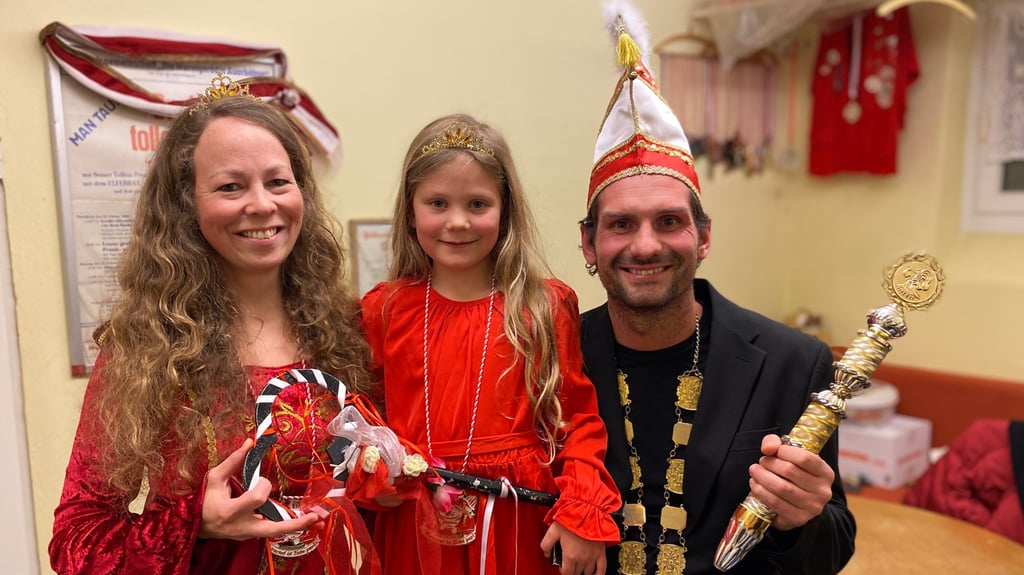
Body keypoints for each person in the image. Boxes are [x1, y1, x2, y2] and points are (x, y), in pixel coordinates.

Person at [49, 74, 374, 575]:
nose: (262, 205)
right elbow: (77, 541)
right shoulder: (146, 348)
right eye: (230, 186)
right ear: (186, 207)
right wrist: (192, 523)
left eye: (278, 181)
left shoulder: (348, 328)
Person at [576, 2, 856, 574]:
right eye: (621, 224)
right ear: (589, 245)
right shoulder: (552, 356)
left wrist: (802, 516)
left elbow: (831, 550)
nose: (646, 245)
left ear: (703, 237)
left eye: (670, 222)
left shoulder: (792, 362)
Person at [359, 113, 622, 575]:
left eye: (477, 203)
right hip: (418, 531)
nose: (457, 222)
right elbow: (364, 425)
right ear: (411, 208)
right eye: (437, 202)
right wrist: (378, 469)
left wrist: (583, 512)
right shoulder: (384, 311)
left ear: (505, 210)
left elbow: (577, 422)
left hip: (520, 527)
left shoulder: (543, 306)